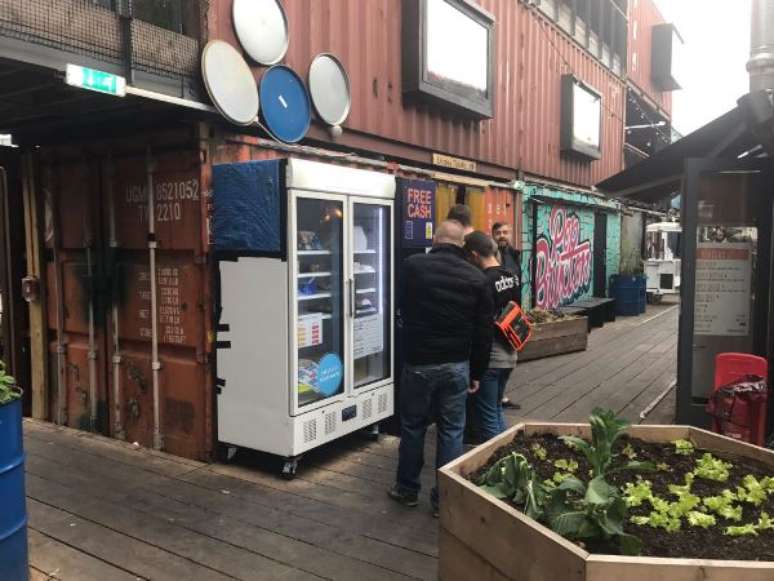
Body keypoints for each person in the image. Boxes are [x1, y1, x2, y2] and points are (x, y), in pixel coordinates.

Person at [389, 220, 494, 516]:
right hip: (456, 365)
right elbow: (484, 331)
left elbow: (400, 307)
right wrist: (477, 372)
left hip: (419, 362)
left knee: (412, 427)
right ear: (463, 244)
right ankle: (443, 499)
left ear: (435, 240)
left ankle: (407, 489)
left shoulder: (413, 266)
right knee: (451, 431)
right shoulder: (476, 278)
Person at [464, 231, 522, 442]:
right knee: (496, 409)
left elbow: (482, 329)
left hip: (491, 357)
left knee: (487, 416)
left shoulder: (483, 281)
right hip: (510, 352)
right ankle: (509, 456)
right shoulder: (510, 276)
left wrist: (476, 371)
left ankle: (501, 466)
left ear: (474, 255)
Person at [492, 221, 522, 410]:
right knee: (499, 360)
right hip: (496, 316)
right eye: (498, 232)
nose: (502, 235)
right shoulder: (492, 255)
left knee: (511, 357)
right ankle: (497, 397)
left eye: (505, 232)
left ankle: (501, 395)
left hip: (513, 313)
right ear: (492, 234)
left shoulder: (513, 255)